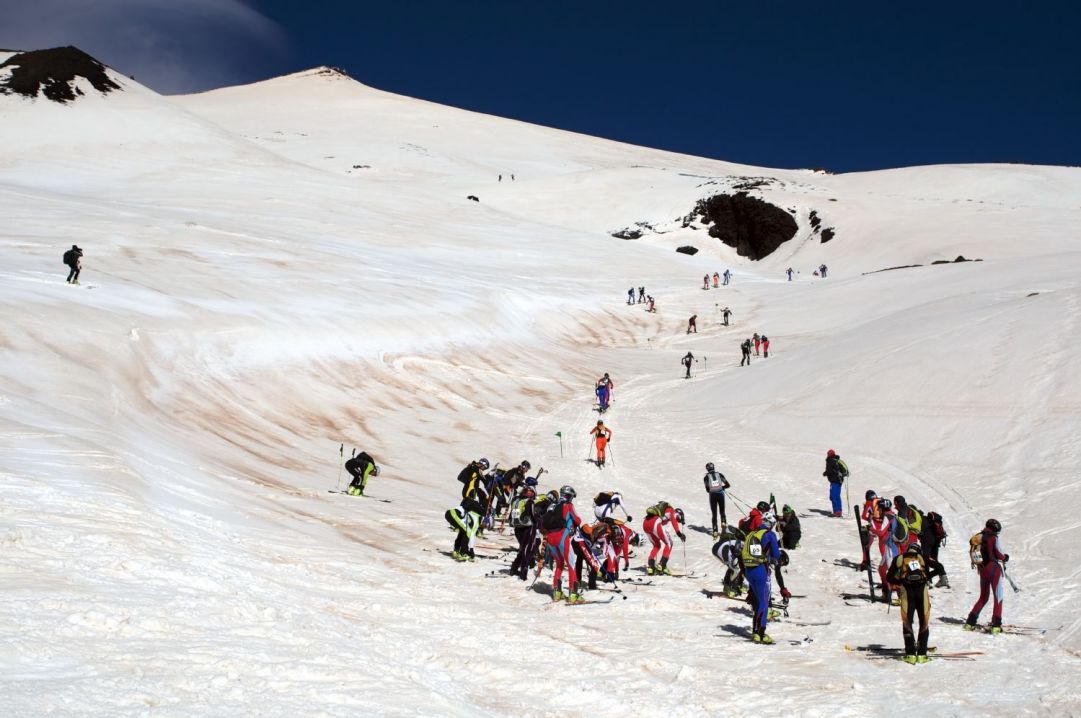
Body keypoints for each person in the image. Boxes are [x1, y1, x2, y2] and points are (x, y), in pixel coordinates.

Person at [886, 543, 931, 663]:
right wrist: (927, 577)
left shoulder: (900, 558)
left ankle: (910, 653)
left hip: (907, 593)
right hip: (922, 593)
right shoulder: (922, 558)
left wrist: (900, 581)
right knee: (924, 620)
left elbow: (888, 578)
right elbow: (940, 568)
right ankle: (922, 654)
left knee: (907, 621)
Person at [742, 510, 781, 643]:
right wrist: (775, 559)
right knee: (764, 601)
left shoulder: (752, 533)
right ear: (771, 524)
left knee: (759, 601)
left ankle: (755, 631)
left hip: (748, 570)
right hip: (759, 570)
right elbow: (776, 554)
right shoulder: (769, 534)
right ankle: (761, 633)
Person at [541, 485, 585, 602]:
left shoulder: (552, 505)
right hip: (562, 536)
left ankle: (557, 593)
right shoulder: (568, 505)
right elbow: (577, 520)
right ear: (569, 496)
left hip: (550, 537)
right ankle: (573, 594)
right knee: (571, 564)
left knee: (559, 565)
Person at [964, 519, 1009, 633]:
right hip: (993, 569)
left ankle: (970, 623)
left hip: (982, 569)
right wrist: (1005, 558)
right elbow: (998, 553)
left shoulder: (979, 537)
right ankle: (996, 625)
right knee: (998, 597)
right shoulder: (993, 537)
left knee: (983, 597)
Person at [869, 498, 902, 602]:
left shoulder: (888, 516)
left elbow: (881, 532)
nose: (878, 510)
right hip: (890, 547)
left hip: (891, 548)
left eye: (879, 508)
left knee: (894, 573)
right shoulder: (892, 514)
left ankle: (901, 597)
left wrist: (870, 528)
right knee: (881, 569)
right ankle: (886, 593)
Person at [643, 501, 684, 575]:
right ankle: (662, 564)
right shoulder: (672, 510)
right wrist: (679, 534)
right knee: (669, 543)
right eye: (679, 518)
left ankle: (651, 567)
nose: (678, 520)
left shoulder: (662, 509)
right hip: (655, 523)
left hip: (645, 523)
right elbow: (674, 521)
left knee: (657, 545)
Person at [508, 484, 538, 580]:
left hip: (517, 528)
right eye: (530, 491)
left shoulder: (516, 500)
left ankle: (514, 568)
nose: (530, 493)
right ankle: (523, 573)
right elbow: (532, 515)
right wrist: (538, 523)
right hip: (527, 527)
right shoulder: (529, 501)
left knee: (523, 548)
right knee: (527, 550)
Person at [920, 511, 949, 588]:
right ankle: (943, 578)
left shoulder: (921, 519)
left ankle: (927, 579)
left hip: (928, 541)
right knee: (933, 560)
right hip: (936, 541)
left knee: (925, 559)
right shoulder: (930, 520)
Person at [702, 462, 731, 537]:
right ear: (713, 467)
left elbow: (707, 489)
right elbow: (728, 485)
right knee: (722, 510)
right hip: (720, 494)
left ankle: (715, 531)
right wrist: (722, 488)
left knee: (714, 513)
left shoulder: (706, 477)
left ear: (707, 469)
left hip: (712, 496)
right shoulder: (719, 475)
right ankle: (723, 522)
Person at [859, 490, 882, 570]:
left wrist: (870, 517)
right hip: (884, 526)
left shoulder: (868, 503)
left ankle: (865, 561)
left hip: (873, 526)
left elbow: (863, 516)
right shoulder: (880, 500)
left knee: (866, 543)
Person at [823, 449, 849, 517]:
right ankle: (839, 511)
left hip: (834, 481)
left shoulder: (830, 460)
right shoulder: (836, 460)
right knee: (836, 496)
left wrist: (825, 473)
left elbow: (829, 471)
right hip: (839, 480)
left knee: (833, 496)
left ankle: (837, 512)